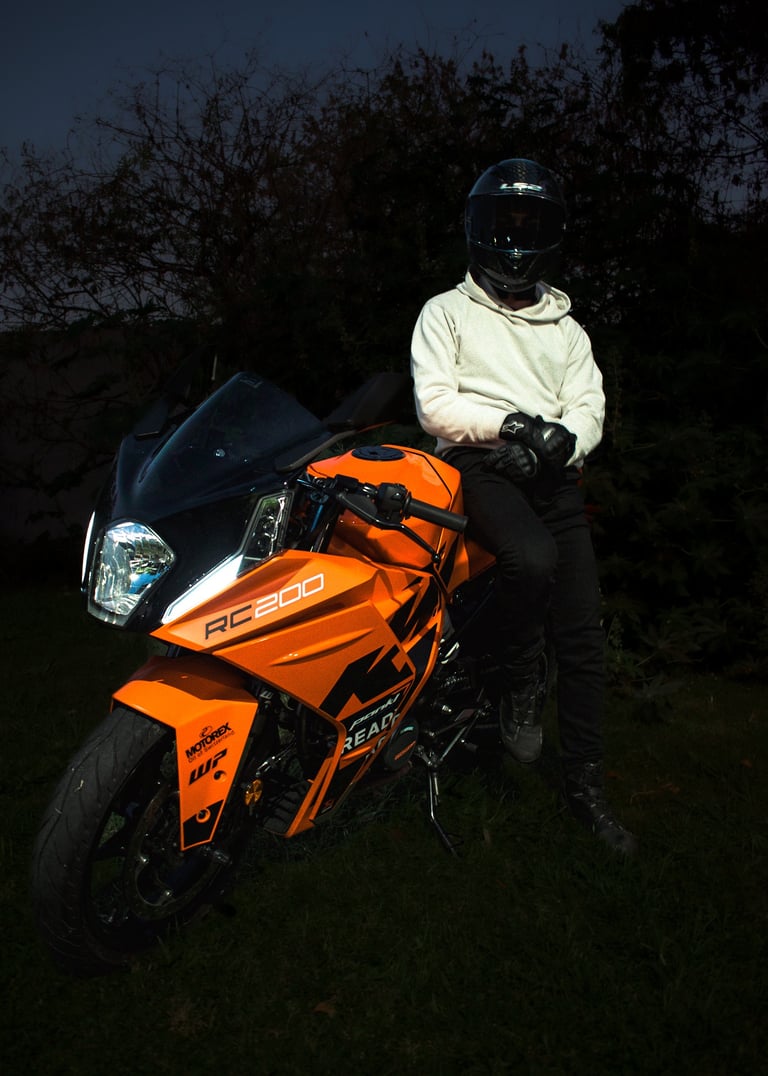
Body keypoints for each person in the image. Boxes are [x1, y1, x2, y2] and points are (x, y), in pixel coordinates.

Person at [410, 157, 636, 855]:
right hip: (478, 465)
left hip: (550, 473)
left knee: (585, 640)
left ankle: (586, 789)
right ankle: (519, 679)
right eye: (502, 223)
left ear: (548, 234)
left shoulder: (566, 330)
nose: (513, 240)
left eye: (527, 225)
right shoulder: (446, 312)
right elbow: (435, 404)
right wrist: (511, 428)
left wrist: (553, 449)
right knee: (530, 557)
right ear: (477, 228)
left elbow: (588, 410)